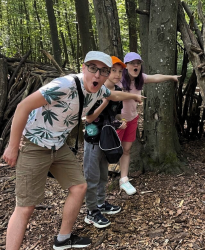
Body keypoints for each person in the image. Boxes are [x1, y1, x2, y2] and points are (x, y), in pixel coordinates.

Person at [1, 51, 145, 250]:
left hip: (58, 146)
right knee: (25, 207)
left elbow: (113, 94)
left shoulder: (99, 90)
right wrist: (12, 146)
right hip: (34, 144)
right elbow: (23, 107)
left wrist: (134, 97)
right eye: (93, 68)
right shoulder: (64, 85)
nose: (97, 75)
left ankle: (63, 239)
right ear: (83, 68)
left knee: (79, 187)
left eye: (103, 71)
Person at [116, 52, 180, 195]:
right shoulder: (118, 79)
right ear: (126, 66)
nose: (136, 65)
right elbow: (110, 94)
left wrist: (171, 77)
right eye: (132, 63)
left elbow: (156, 77)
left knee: (126, 149)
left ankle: (124, 179)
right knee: (112, 150)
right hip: (117, 121)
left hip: (132, 119)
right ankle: (99, 180)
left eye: (138, 62)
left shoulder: (140, 78)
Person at [83, 56, 127, 229]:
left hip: (107, 141)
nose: (117, 75)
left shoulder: (118, 92)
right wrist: (106, 99)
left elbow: (113, 116)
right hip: (93, 140)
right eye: (113, 71)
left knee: (102, 175)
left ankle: (100, 204)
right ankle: (91, 211)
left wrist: (120, 121)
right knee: (91, 176)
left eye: (119, 71)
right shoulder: (94, 91)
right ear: (106, 72)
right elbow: (89, 118)